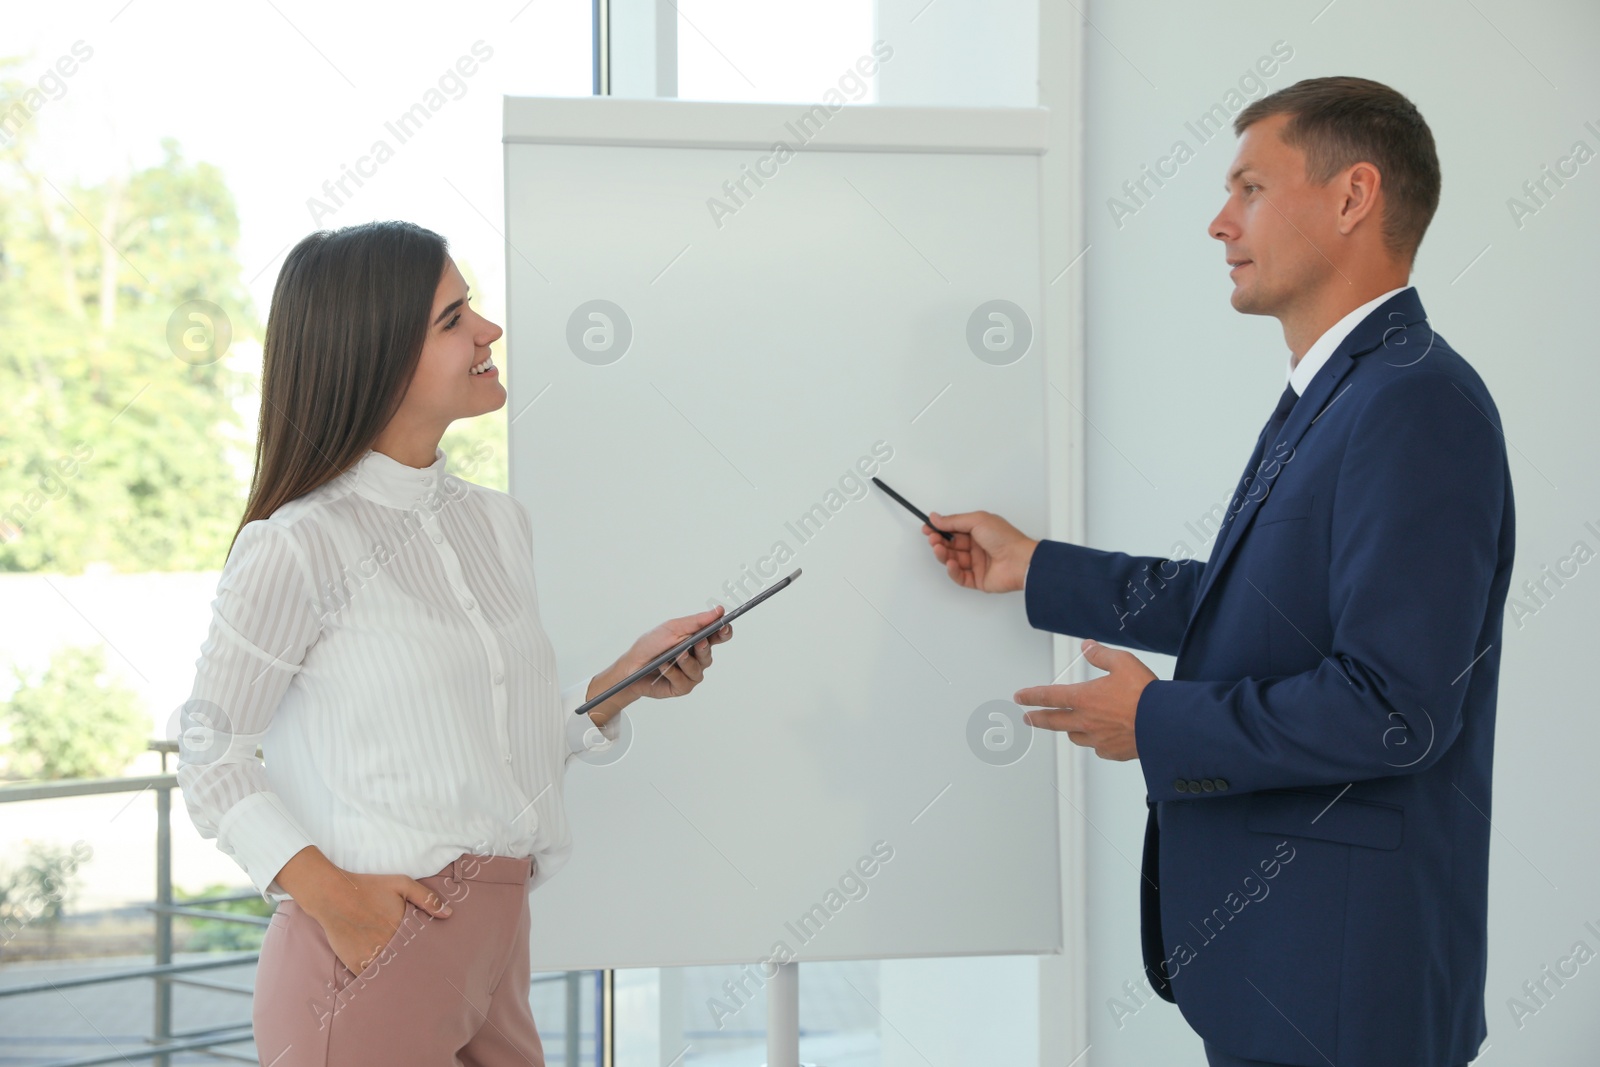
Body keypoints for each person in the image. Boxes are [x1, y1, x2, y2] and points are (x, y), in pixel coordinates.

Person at [923, 77, 1513, 1067]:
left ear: (1350, 196)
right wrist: (1037, 568)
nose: (1217, 221)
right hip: (1284, 972)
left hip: (1342, 996)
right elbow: (1261, 604)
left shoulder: (1413, 403)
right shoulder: (1341, 388)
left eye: (1247, 187)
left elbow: (1395, 705)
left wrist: (1154, 721)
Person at [176, 220, 733, 1066]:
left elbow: (490, 753)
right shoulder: (299, 544)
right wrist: (333, 898)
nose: (489, 329)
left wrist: (616, 687)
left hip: (497, 941)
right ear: (376, 354)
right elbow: (212, 749)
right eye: (453, 318)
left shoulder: (497, 524)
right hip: (371, 947)